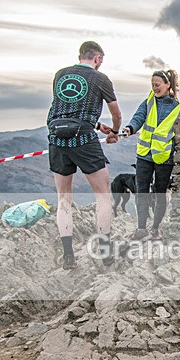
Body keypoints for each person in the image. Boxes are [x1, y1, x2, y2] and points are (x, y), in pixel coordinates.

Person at [47, 40, 122, 269]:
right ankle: (105, 251)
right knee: (102, 195)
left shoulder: (61, 74)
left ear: (80, 55)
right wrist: (114, 132)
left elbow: (70, 109)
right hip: (84, 140)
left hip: (57, 138)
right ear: (97, 59)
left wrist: (99, 126)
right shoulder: (101, 78)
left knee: (63, 199)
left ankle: (68, 256)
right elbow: (116, 113)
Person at [123, 69, 180, 241]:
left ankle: (156, 229)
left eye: (157, 85)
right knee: (141, 192)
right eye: (152, 85)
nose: (154, 88)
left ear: (168, 85)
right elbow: (138, 118)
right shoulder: (148, 103)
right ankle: (141, 228)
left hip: (164, 158)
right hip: (144, 155)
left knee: (160, 194)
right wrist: (130, 128)